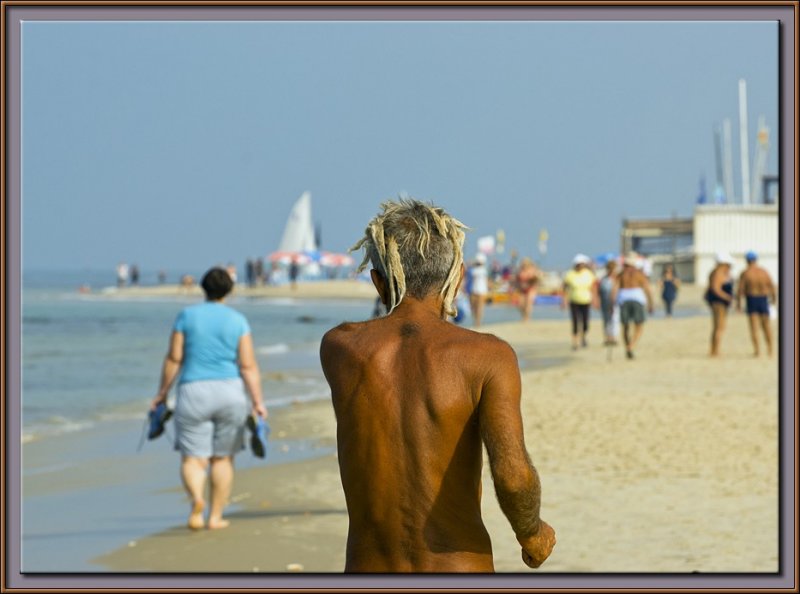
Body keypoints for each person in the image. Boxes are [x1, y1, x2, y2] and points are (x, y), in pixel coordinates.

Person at [320, 198, 555, 572]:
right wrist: (532, 533)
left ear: (378, 281)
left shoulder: (340, 348)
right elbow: (512, 476)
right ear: (457, 277)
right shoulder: (487, 356)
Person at [150, 267, 268, 530]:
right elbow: (248, 365)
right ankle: (215, 517)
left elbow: (174, 358)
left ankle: (196, 501)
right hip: (230, 392)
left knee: (193, 458)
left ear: (203, 287)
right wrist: (258, 402)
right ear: (229, 290)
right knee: (222, 458)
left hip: (193, 392)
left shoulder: (186, 316)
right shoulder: (238, 320)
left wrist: (161, 394)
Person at [611, 254, 654, 360]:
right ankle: (631, 346)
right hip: (637, 299)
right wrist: (651, 303)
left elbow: (614, 289)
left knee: (625, 326)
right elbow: (647, 289)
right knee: (639, 326)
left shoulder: (620, 275)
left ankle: (628, 346)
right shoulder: (639, 274)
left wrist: (612, 303)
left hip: (623, 299)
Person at [736, 251, 777, 357]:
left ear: (747, 261)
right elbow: (772, 287)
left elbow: (740, 290)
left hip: (752, 299)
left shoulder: (745, 273)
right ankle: (770, 349)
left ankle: (757, 351)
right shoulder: (764, 272)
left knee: (754, 327)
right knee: (766, 326)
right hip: (763, 299)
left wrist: (739, 304)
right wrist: (773, 300)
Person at [561, 254, 598, 350]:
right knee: (575, 322)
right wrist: (564, 300)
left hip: (586, 300)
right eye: (578, 264)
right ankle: (575, 342)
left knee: (585, 322)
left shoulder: (588, 274)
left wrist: (595, 299)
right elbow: (565, 288)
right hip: (574, 300)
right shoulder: (570, 274)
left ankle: (583, 337)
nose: (580, 266)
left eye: (582, 264)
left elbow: (593, 288)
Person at [705, 252, 735, 357]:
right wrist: (727, 297)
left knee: (718, 327)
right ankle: (715, 350)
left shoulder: (720, 272)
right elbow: (715, 288)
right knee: (719, 327)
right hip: (719, 303)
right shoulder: (718, 273)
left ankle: (715, 349)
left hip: (719, 302)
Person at [597, 259, 618, 346]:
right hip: (605, 302)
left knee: (614, 320)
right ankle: (607, 337)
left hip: (616, 303)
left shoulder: (617, 279)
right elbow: (599, 291)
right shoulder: (603, 279)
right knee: (606, 320)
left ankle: (613, 337)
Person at [515, 257, 540, 322]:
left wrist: (530, 282)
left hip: (531, 288)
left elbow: (536, 279)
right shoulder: (520, 271)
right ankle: (524, 316)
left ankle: (527, 318)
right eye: (523, 263)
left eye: (525, 263)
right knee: (520, 304)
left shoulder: (532, 270)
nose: (524, 265)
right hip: (522, 289)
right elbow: (517, 280)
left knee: (529, 303)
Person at [468, 253, 490, 327]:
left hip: (479, 290)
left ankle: (477, 322)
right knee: (475, 307)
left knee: (478, 307)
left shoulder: (482, 270)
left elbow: (487, 281)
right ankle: (477, 321)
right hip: (476, 289)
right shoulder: (475, 269)